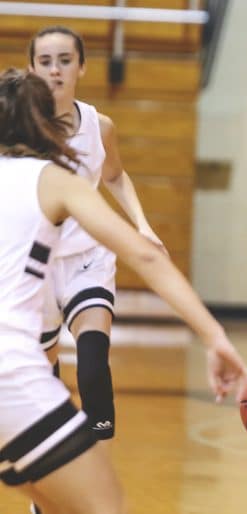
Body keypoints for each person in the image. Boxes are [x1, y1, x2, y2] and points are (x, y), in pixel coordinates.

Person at [0, 67, 247, 514]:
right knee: (103, 507)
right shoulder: (54, 180)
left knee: (53, 502)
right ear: (45, 124)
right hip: (9, 378)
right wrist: (214, 336)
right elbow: (147, 257)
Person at [27, 25, 164, 449]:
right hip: (35, 264)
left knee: (91, 370)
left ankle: (91, 466)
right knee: (43, 384)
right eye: (45, 62)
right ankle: (51, 488)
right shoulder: (14, 129)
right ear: (32, 69)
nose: (55, 71)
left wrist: (142, 225)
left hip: (88, 258)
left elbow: (116, 176)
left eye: (65, 61)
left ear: (81, 67)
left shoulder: (99, 126)